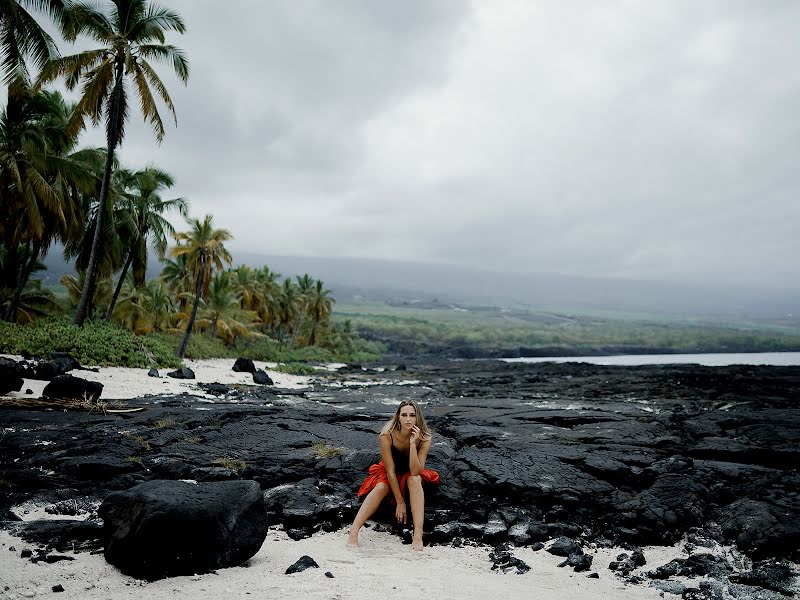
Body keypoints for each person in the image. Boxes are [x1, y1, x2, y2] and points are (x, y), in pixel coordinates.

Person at [347, 400, 440, 551]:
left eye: (412, 415)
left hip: (411, 471)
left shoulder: (424, 438)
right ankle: (354, 531)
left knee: (415, 479)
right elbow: (390, 471)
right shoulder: (387, 435)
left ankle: (417, 535)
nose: (408, 419)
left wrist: (412, 444)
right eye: (404, 415)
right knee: (381, 486)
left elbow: (416, 470)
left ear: (418, 418)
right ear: (398, 416)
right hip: (390, 472)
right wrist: (400, 502)